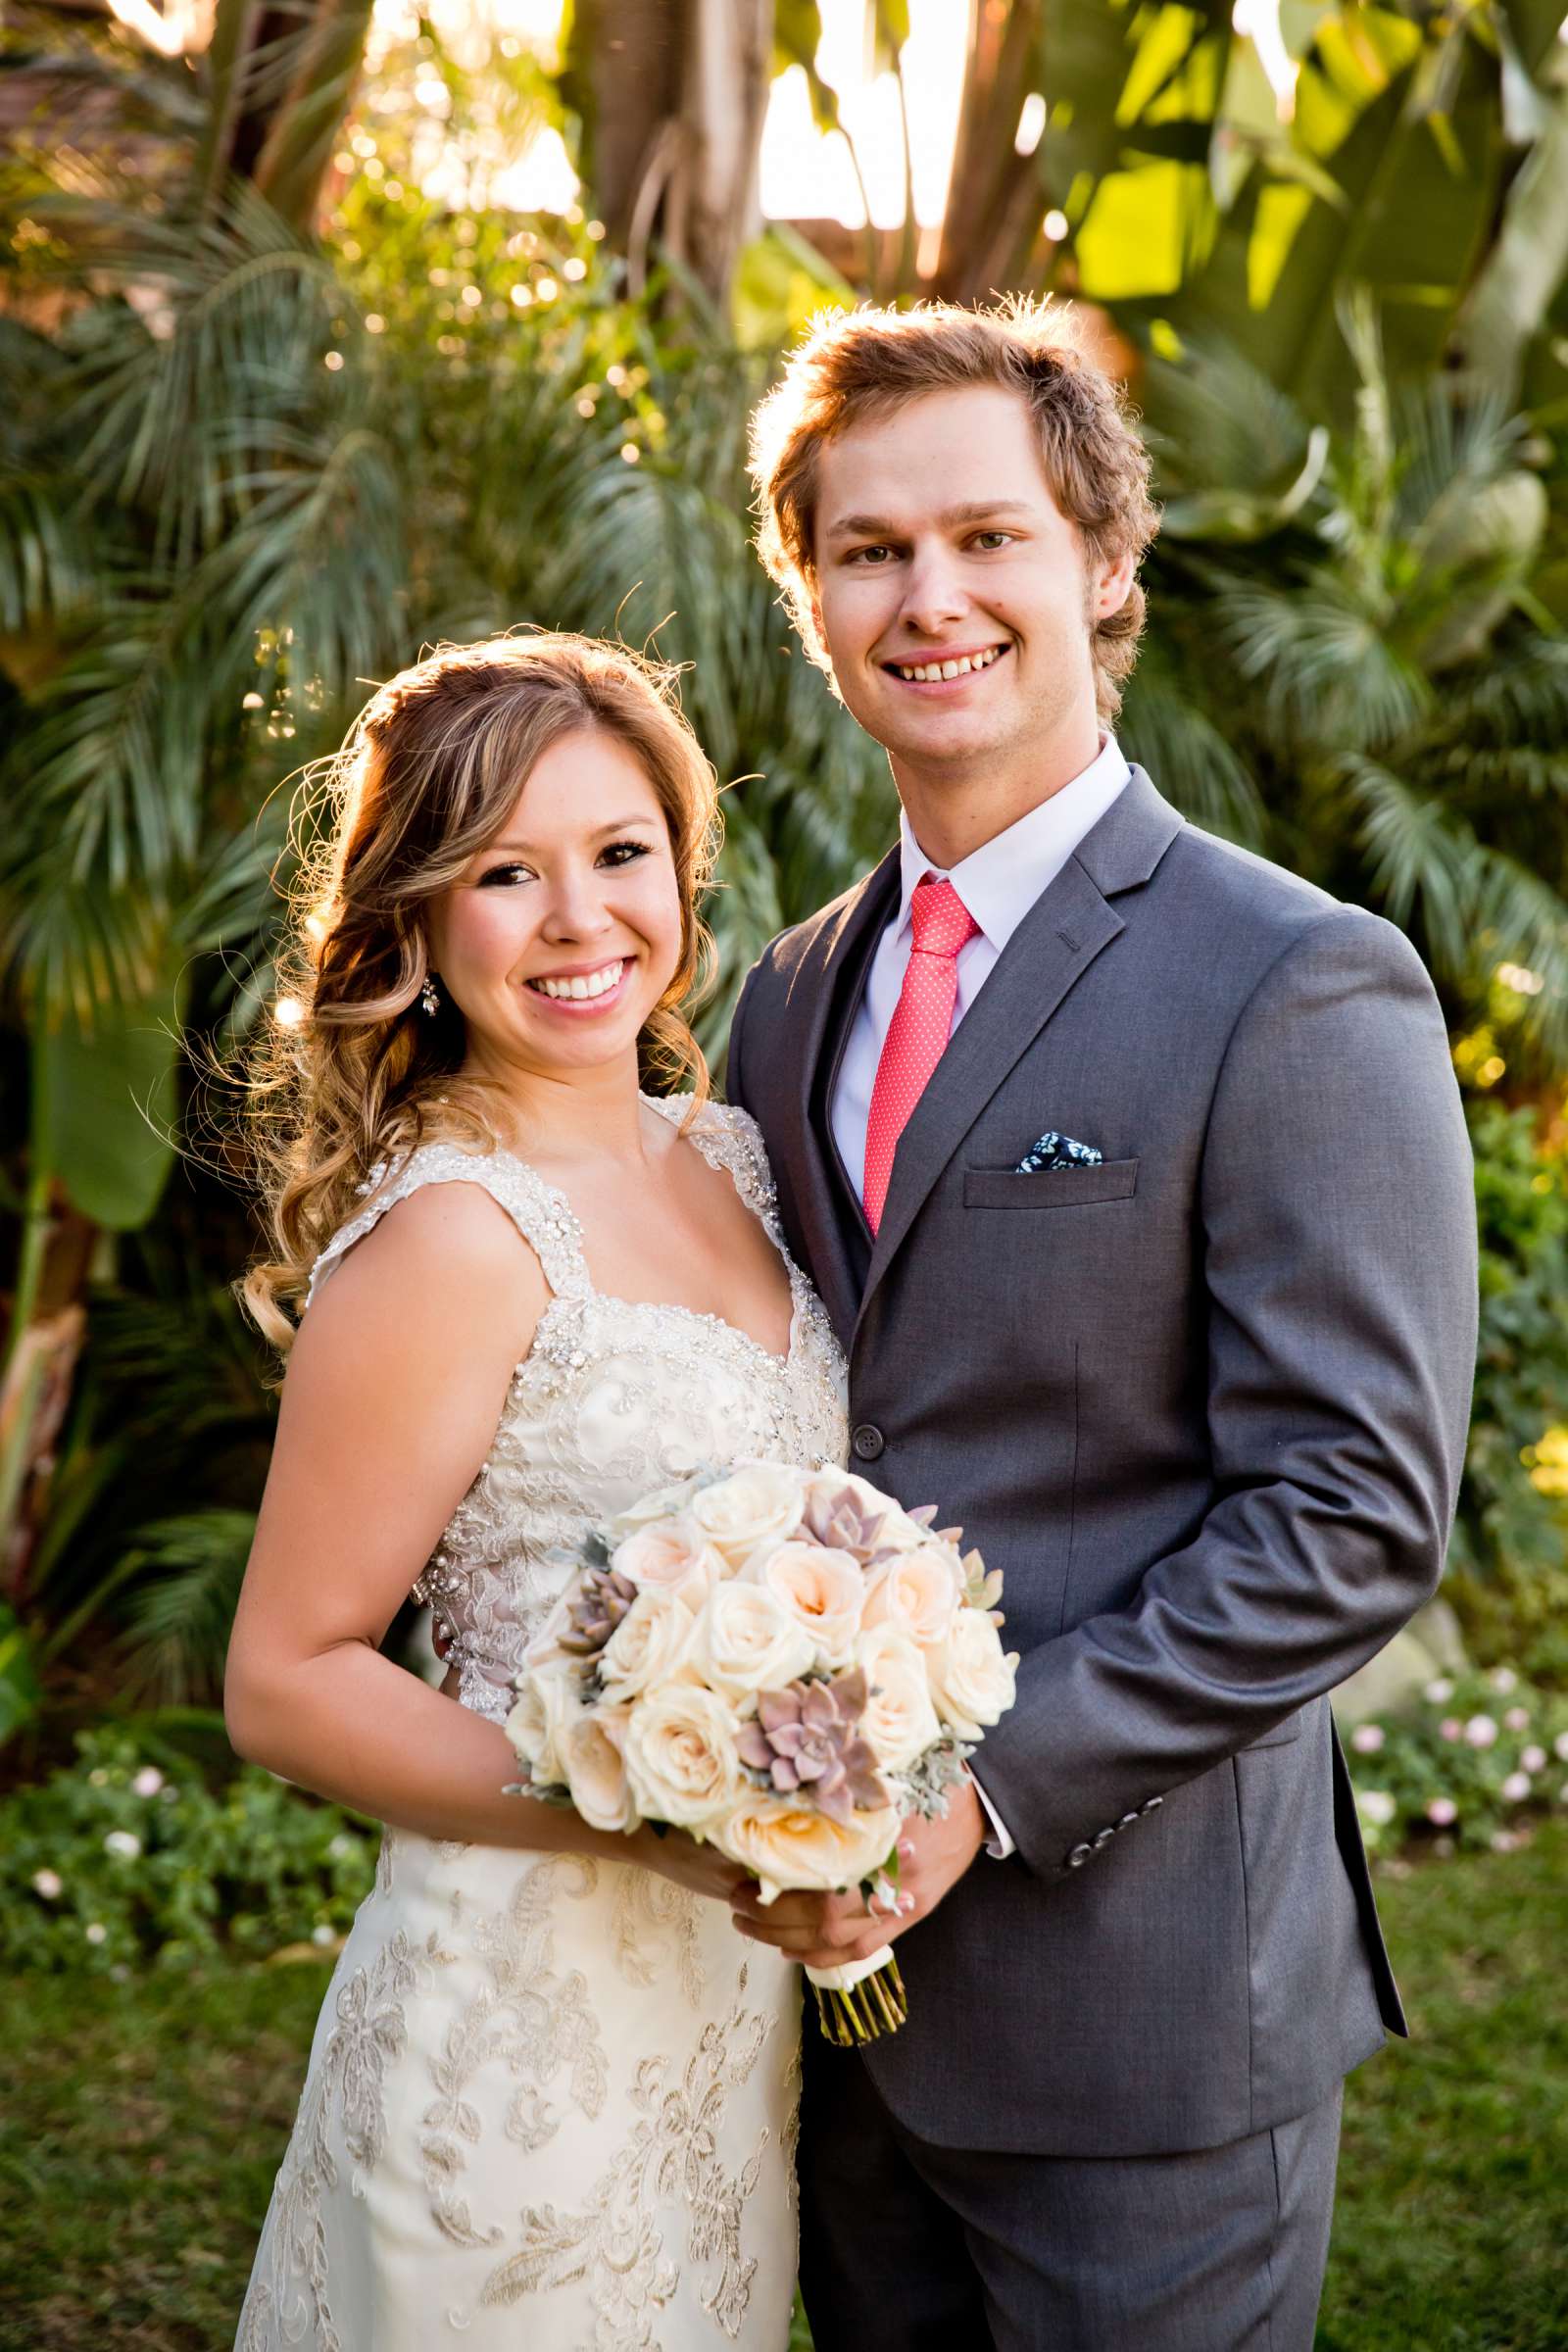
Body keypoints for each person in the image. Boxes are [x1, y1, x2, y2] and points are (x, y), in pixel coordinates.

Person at [725, 300, 1479, 2350]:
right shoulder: (787, 993)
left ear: (1102, 568)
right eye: (867, 549)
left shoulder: (1294, 980)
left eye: (987, 536)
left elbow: (1347, 1510)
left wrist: (970, 1796)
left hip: (1140, 2017)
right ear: (808, 596)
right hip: (827, 2015)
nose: (929, 595)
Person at [225, 632, 847, 2351]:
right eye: (507, 873)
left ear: (681, 869)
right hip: (513, 2034)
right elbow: (287, 1678)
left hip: (722, 2021)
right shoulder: (451, 1239)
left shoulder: (726, 1156)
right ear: (417, 924)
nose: (582, 923)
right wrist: (640, 1803)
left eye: (619, 854)